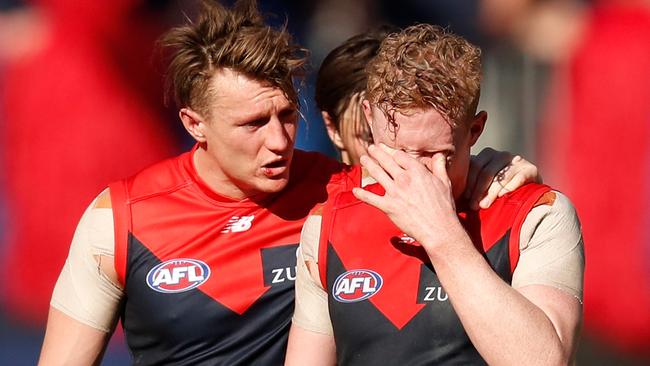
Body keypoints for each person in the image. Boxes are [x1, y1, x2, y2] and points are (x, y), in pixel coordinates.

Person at [38, 2, 543, 365]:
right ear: (195, 124)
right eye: (253, 124)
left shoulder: (341, 191)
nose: (279, 141)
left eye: (286, 114)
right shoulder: (121, 219)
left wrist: (496, 167)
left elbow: (443, 180)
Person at [286, 24, 584, 365]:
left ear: (474, 131)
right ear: (369, 118)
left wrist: (442, 235)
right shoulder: (330, 224)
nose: (415, 174)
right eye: (397, 150)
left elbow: (543, 361)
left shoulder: (536, 215)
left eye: (434, 154)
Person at [315, 26, 540, 211]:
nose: (414, 169)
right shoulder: (316, 213)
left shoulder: (486, 190)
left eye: (432, 152)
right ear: (332, 128)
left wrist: (521, 185)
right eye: (370, 137)